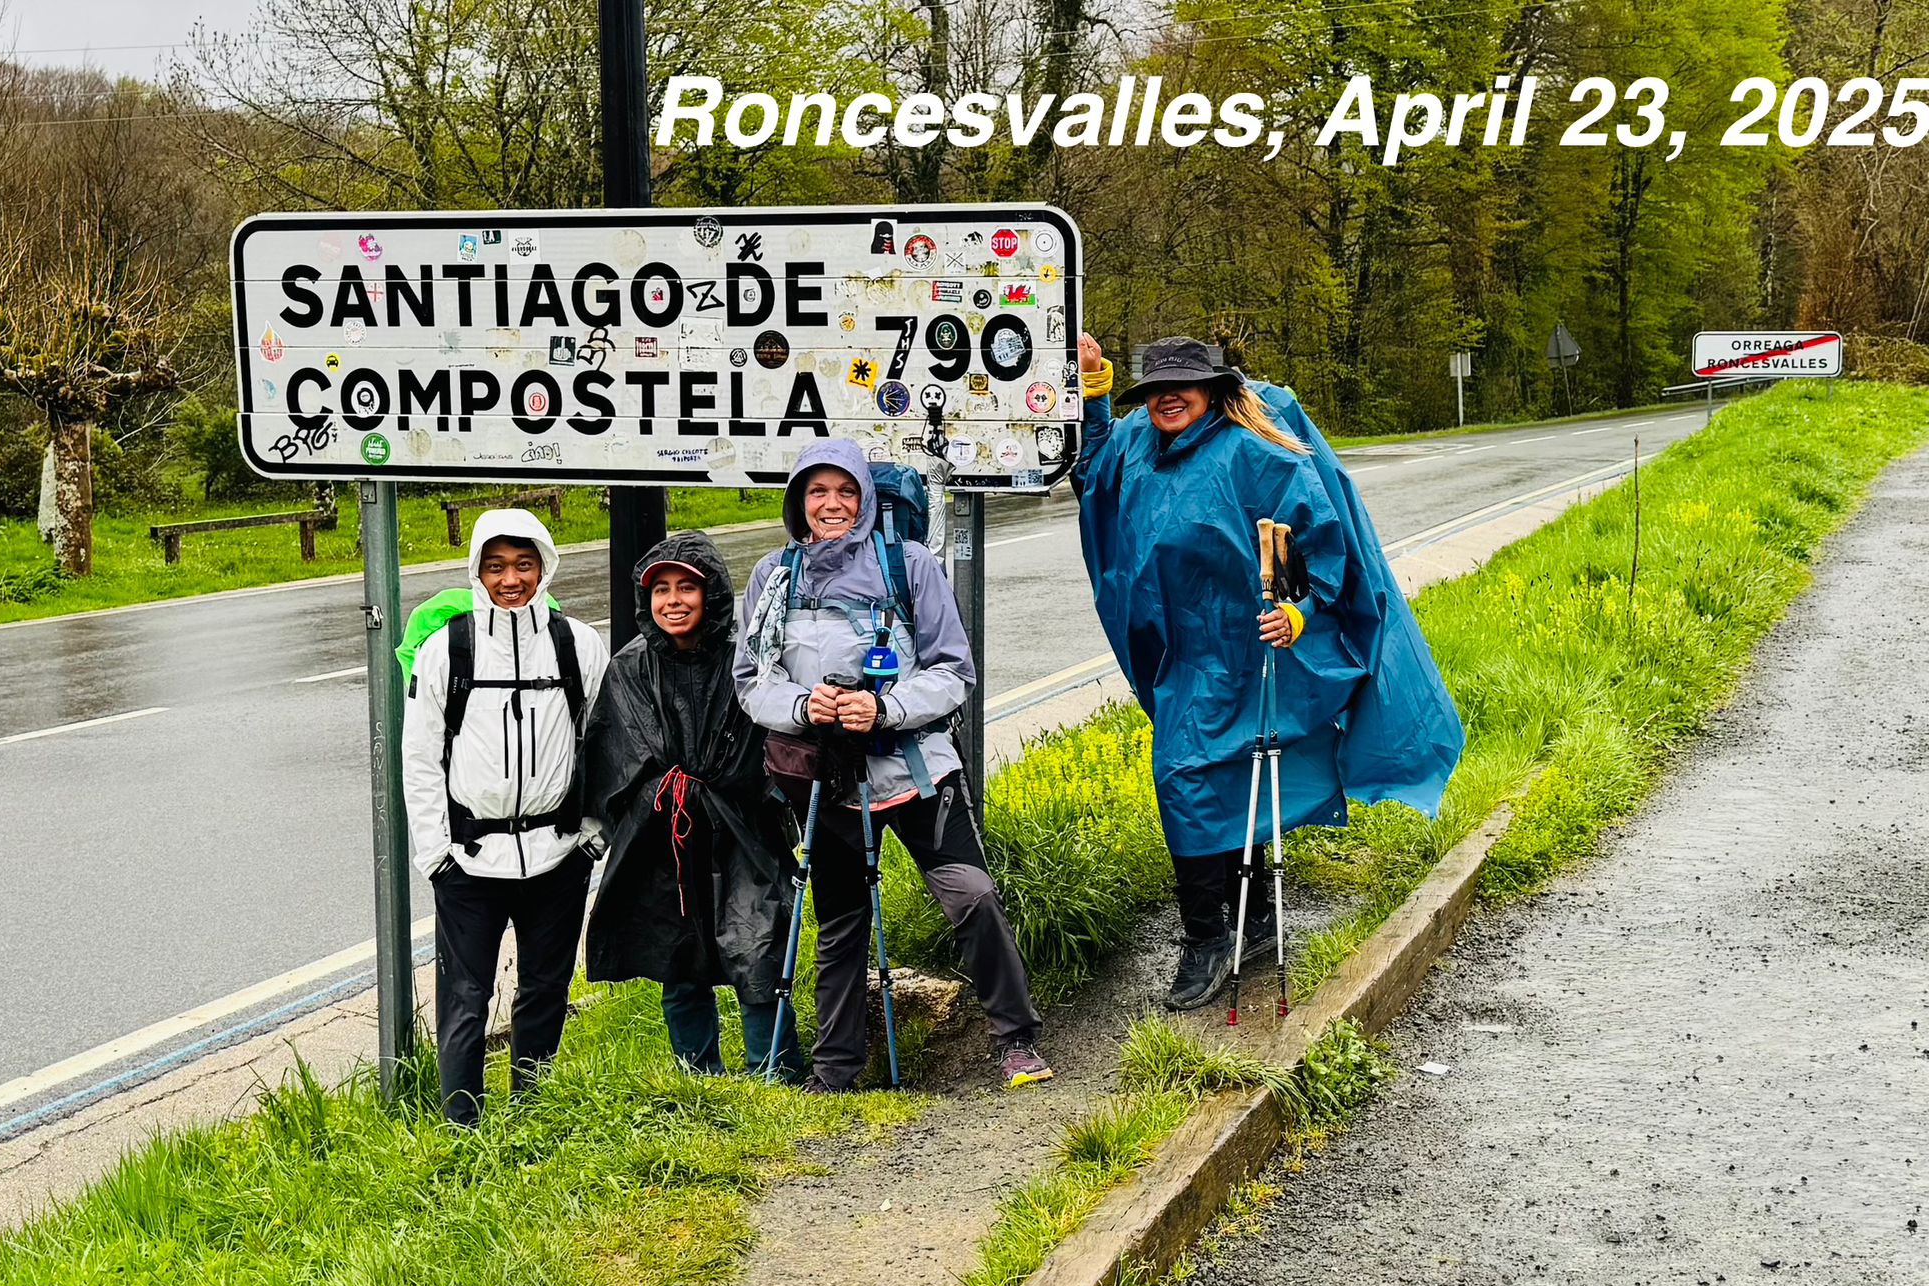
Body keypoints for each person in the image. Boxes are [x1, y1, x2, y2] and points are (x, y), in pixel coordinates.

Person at [1074, 334, 1463, 1011]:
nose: (1169, 397)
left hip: (1249, 651)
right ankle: (1228, 927)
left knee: (1217, 774)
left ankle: (1219, 933)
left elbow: (1323, 544)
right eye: (1157, 387)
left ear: (1212, 389)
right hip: (1183, 655)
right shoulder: (1137, 444)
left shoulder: (1255, 452)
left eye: (1184, 385)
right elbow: (1092, 476)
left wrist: (1303, 616)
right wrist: (1096, 389)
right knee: (1196, 778)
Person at [734, 439, 1053, 1091]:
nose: (832, 505)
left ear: (866, 498)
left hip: (919, 771)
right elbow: (749, 680)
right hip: (831, 782)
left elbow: (954, 671)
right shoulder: (774, 577)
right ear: (798, 502)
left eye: (845, 491)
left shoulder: (907, 565)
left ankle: (1016, 1038)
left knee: (973, 898)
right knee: (842, 925)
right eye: (817, 492)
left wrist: (884, 710)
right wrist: (804, 705)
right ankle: (837, 1071)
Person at [401, 508, 610, 1124]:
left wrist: (592, 834)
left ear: (545, 566)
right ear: (477, 571)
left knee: (545, 990)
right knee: (464, 998)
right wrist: (434, 853)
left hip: (558, 853)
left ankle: (532, 1112)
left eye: (523, 565)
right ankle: (461, 1125)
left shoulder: (578, 643)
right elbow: (419, 757)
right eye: (495, 567)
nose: (510, 579)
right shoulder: (448, 648)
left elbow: (604, 742)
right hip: (468, 859)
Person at [582, 531, 804, 1078]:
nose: (674, 601)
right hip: (665, 838)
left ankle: (772, 1075)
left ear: (713, 595)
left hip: (743, 829)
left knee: (757, 949)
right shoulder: (631, 667)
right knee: (678, 957)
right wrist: (665, 792)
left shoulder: (744, 659)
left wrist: (733, 792)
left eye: (687, 587)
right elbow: (617, 750)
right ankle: (697, 1075)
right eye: (661, 590)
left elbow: (769, 743)